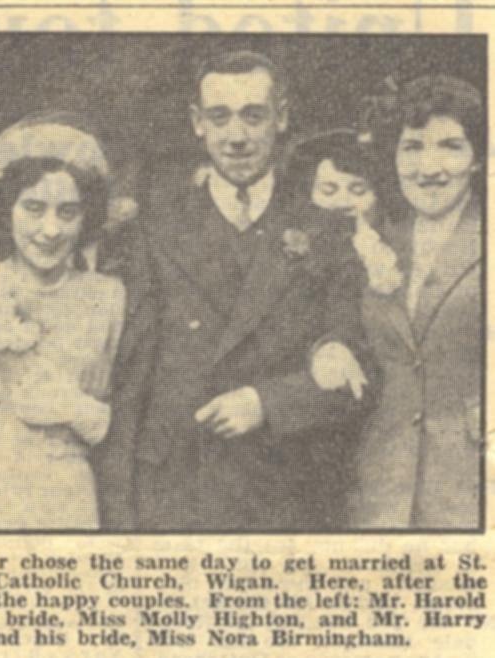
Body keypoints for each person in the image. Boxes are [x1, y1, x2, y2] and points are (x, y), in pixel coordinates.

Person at [130, 50, 375, 531]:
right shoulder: (155, 229)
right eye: (219, 118)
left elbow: (362, 375)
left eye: (253, 116)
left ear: (280, 119)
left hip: (287, 496)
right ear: (197, 123)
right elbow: (133, 378)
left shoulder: (327, 233)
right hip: (181, 495)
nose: (237, 137)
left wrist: (267, 402)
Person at [0, 120, 126, 529]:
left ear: (87, 218)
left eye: (68, 212)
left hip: (72, 500)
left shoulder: (111, 297)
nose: (50, 230)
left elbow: (132, 420)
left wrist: (81, 411)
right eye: (33, 208)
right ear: (4, 208)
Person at [351, 74, 483, 528]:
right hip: (381, 488)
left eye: (450, 146)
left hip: (473, 487)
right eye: (412, 147)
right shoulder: (377, 241)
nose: (429, 168)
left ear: (478, 159)